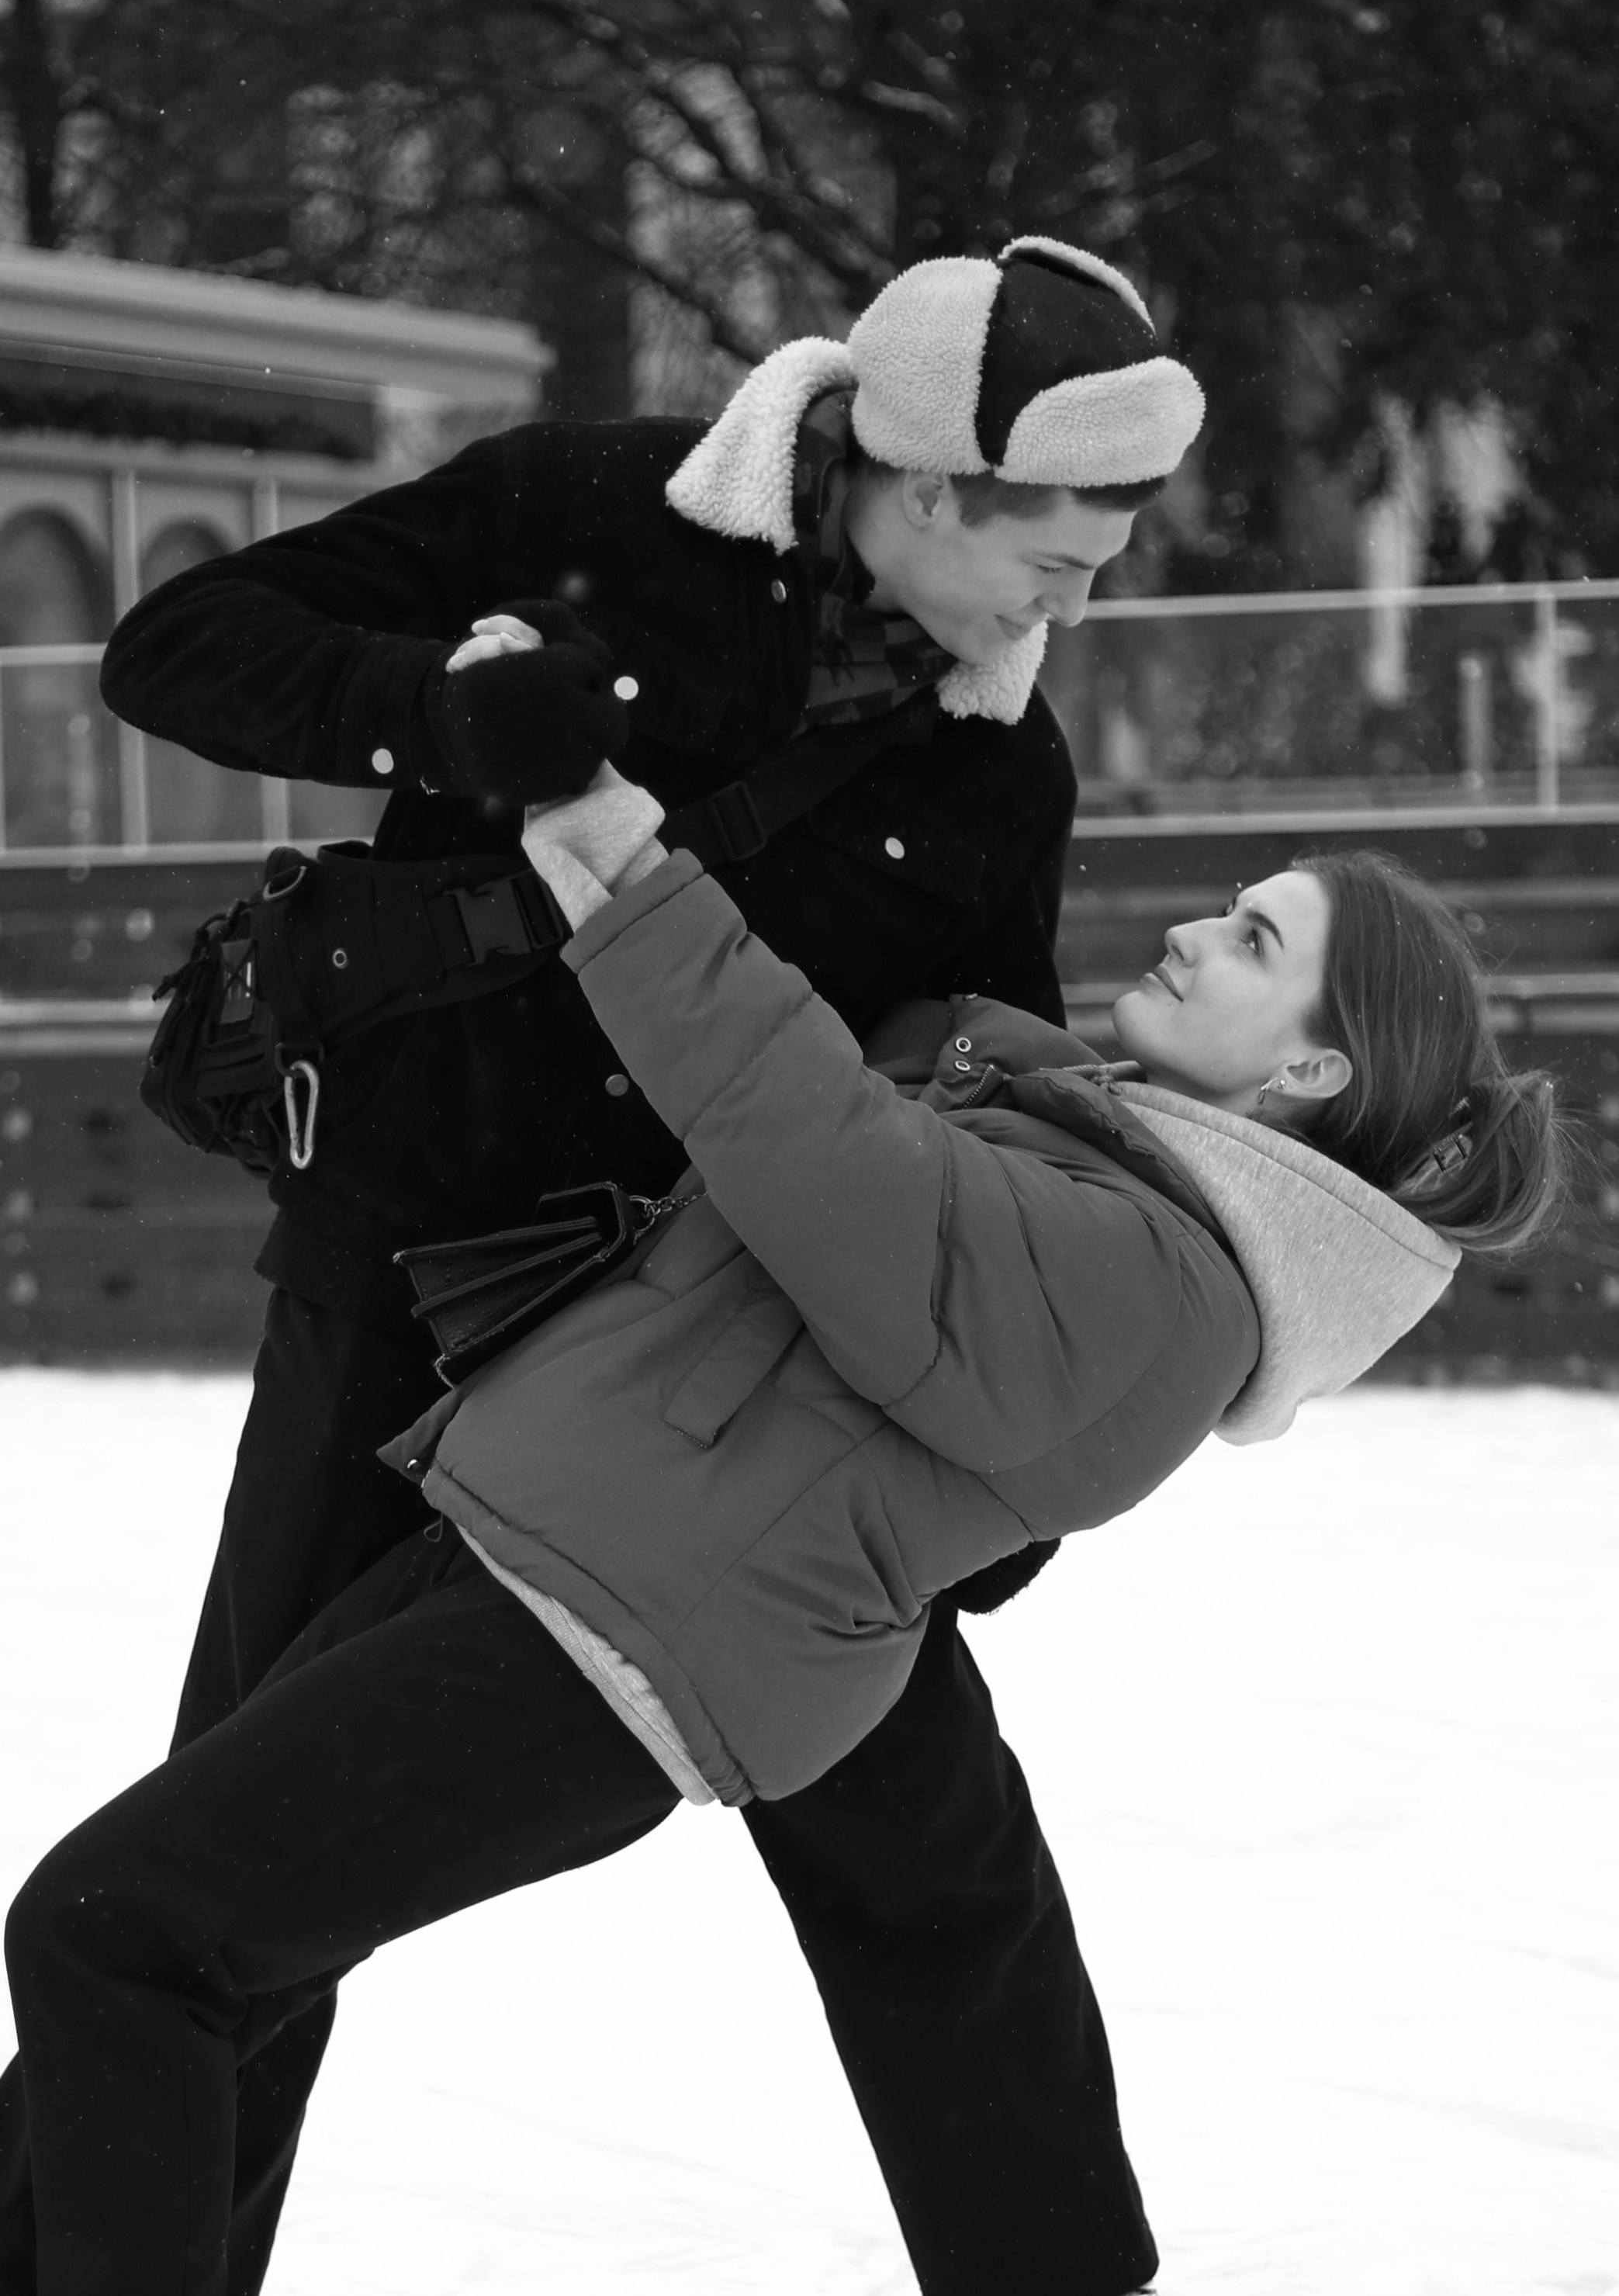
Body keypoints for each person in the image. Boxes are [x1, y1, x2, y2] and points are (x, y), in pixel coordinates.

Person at [0, 237, 1206, 2296]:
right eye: (1056, 556)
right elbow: (175, 648)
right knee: (225, 1890)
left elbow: (984, 1084)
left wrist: (999, 1455)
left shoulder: (1000, 768)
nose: (1070, 608)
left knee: (942, 1882)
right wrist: (434, 706)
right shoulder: (592, 515)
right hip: (399, 1299)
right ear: (924, 483)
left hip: (724, 1391)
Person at [3, 824, 1568, 2292]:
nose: (1187, 932)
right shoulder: (1085, 1144)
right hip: (535, 1565)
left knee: (117, 1940)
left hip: (606, 1651)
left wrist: (621, 853)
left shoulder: (1169, 1278)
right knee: (199, 1963)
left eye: (1250, 938)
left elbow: (815, 1148)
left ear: (1310, 1064)